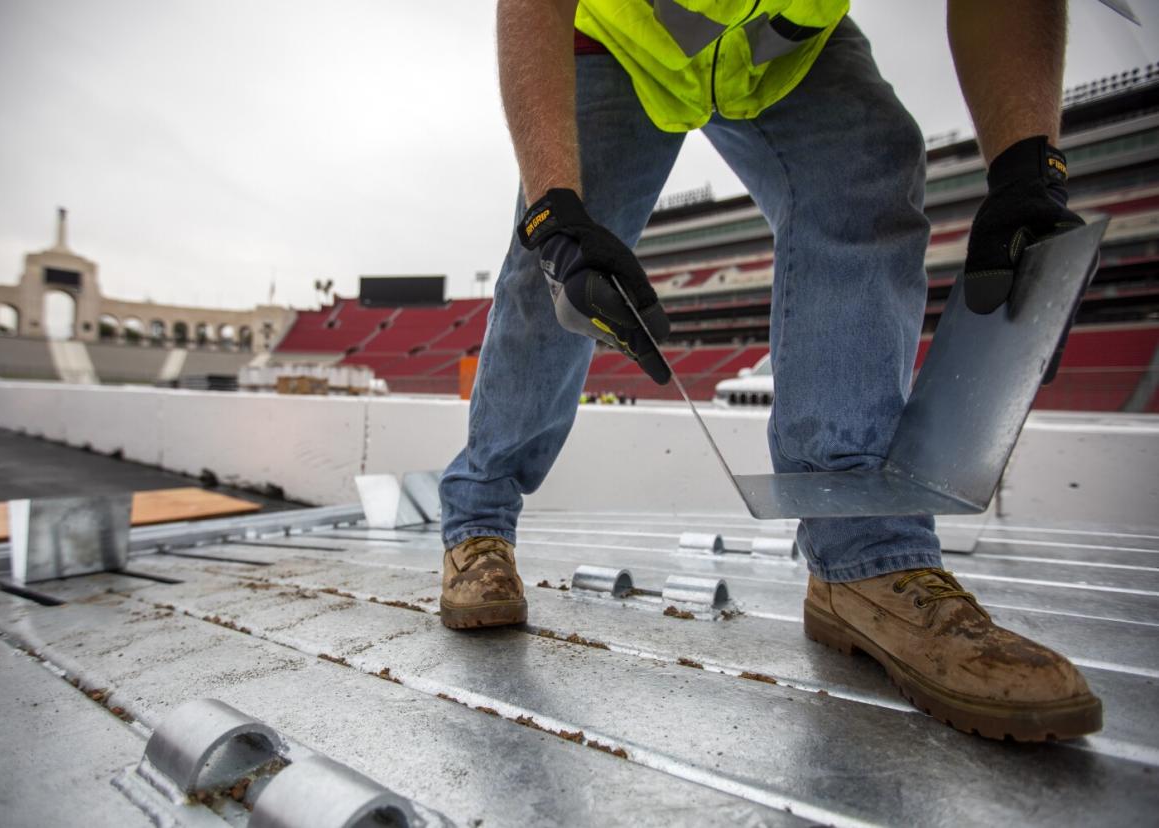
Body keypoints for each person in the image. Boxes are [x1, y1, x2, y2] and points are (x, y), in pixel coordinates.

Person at [437, 0, 1101, 741]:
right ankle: (479, 525)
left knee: (864, 169)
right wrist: (554, 213)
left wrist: (1026, 170)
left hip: (779, 46)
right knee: (554, 271)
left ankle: (865, 560)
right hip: (616, 36)